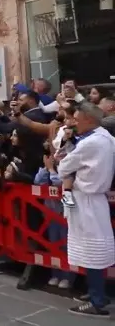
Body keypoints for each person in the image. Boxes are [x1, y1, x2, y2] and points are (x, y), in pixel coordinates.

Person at [57, 102, 115, 317]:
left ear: (89, 120)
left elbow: (63, 167)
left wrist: (64, 166)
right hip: (91, 199)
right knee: (91, 248)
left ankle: (97, 300)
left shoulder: (90, 143)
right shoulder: (108, 138)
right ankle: (95, 292)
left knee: (92, 250)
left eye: (77, 120)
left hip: (84, 199)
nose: (74, 123)